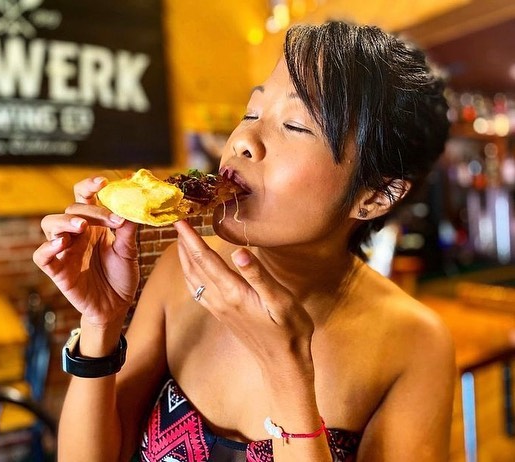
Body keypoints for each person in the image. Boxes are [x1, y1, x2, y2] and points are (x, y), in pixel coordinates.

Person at [33, 20, 456, 462]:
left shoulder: (415, 345)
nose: (243, 142)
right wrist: (100, 324)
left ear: (375, 196)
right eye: (251, 113)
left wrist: (287, 371)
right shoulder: (182, 272)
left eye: (294, 125)